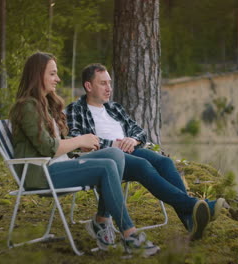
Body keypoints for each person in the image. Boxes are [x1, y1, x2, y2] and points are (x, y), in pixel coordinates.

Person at [9, 52, 159, 256]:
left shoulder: (44, 104)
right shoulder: (27, 106)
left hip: (57, 165)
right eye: (52, 74)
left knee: (114, 154)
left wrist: (81, 144)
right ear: (38, 75)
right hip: (40, 174)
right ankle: (129, 234)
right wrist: (80, 141)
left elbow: (57, 144)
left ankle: (102, 221)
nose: (58, 79)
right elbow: (48, 148)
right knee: (106, 166)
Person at [65, 63, 226, 240]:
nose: (109, 88)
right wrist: (114, 144)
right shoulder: (76, 109)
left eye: (109, 83)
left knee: (164, 162)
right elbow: (77, 138)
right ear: (88, 86)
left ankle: (190, 221)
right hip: (105, 159)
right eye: (103, 83)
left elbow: (140, 131)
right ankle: (195, 206)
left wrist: (132, 140)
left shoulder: (114, 108)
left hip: (130, 151)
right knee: (143, 165)